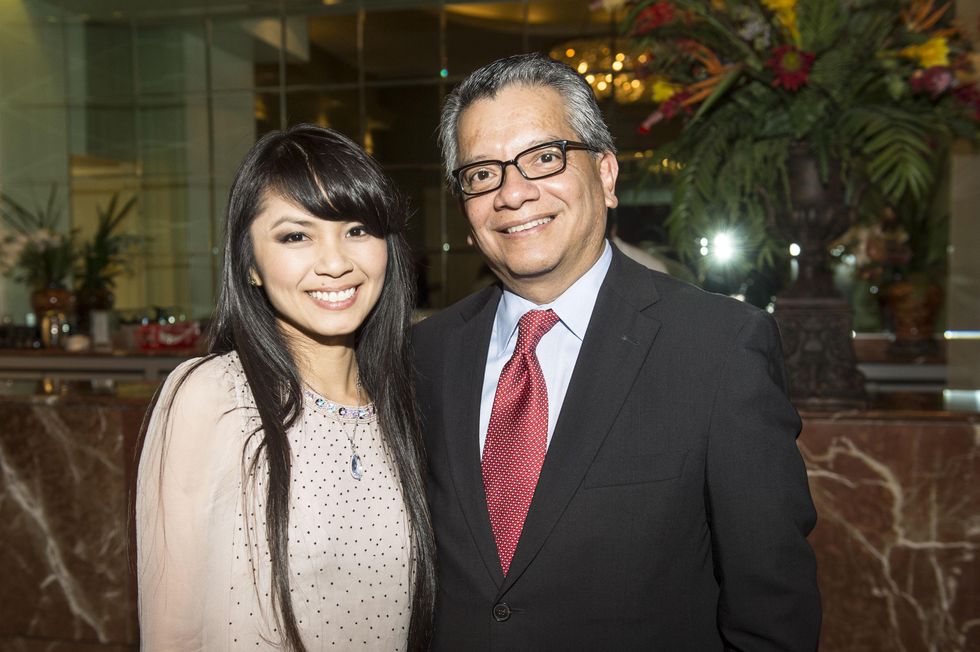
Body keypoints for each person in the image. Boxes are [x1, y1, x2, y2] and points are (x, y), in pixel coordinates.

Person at [413, 53, 821, 650]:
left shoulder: (717, 347)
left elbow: (772, 608)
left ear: (605, 174)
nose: (512, 193)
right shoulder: (425, 354)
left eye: (544, 157)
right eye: (481, 173)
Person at [136, 125, 435, 651]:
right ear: (249, 264)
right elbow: (170, 634)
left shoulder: (409, 400)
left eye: (357, 229)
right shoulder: (211, 397)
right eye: (296, 235)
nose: (336, 261)